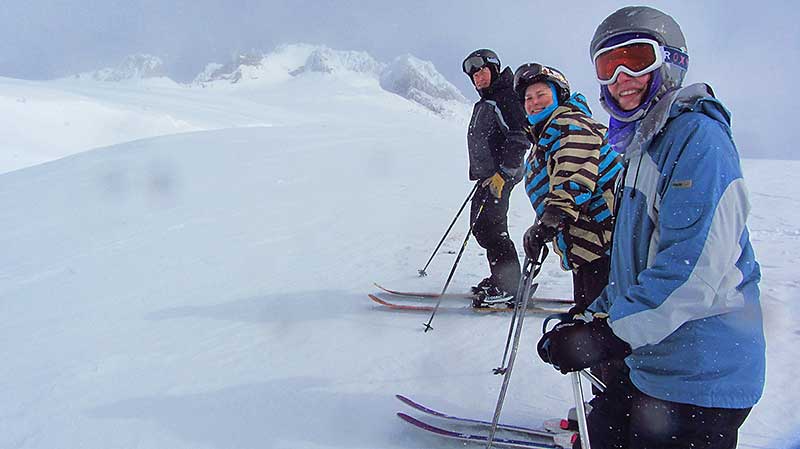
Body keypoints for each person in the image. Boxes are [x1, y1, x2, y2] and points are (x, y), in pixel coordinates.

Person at [537, 6, 766, 449]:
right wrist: (592, 314)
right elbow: (632, 265)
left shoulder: (699, 139)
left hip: (701, 377)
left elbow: (693, 273)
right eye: (608, 66)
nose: (621, 76)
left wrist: (605, 335)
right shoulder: (641, 148)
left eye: (636, 59)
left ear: (671, 61)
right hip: (653, 365)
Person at [513, 63, 622, 317]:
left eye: (541, 94)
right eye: (528, 98)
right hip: (587, 245)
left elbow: (573, 177)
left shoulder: (570, 124)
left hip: (603, 242)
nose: (534, 102)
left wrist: (549, 222)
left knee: (601, 325)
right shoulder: (548, 133)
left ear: (558, 94)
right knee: (589, 319)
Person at [462, 49, 528, 307]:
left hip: (501, 175)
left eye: (481, 71)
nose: (478, 77)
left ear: (494, 69)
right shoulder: (489, 100)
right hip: (488, 176)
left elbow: (520, 135)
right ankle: (502, 278)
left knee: (492, 227)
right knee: (482, 227)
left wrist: (504, 172)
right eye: (473, 75)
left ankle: (510, 286)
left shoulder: (506, 97)